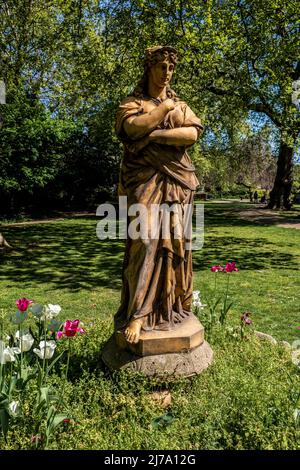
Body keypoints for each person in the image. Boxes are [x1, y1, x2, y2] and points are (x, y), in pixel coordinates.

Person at [114, 46, 203, 344]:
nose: (166, 72)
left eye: (170, 68)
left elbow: (191, 134)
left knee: (177, 245)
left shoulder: (179, 104)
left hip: (178, 182)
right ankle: (138, 315)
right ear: (149, 68)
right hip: (143, 181)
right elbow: (131, 127)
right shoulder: (132, 102)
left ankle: (170, 306)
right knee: (146, 241)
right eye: (161, 66)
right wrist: (162, 111)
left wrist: (155, 134)